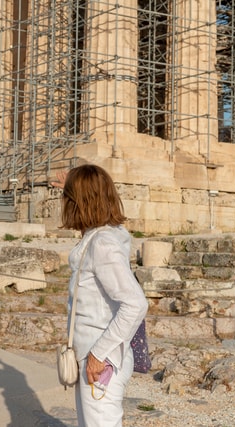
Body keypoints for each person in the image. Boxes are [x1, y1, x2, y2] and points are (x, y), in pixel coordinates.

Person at [59, 164, 148, 427]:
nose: (63, 203)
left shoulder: (102, 244)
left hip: (101, 360)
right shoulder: (103, 237)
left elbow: (135, 304)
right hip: (94, 357)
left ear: (78, 203)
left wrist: (98, 354)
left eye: (68, 197)